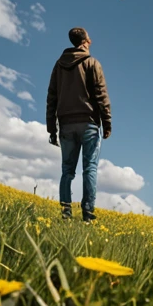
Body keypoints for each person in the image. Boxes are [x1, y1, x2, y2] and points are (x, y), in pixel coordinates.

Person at [46, 27, 111, 222]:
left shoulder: (58, 65)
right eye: (89, 38)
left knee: (67, 170)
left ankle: (66, 211)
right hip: (89, 123)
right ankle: (88, 214)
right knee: (89, 168)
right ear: (85, 42)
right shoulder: (92, 63)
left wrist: (52, 129)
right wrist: (107, 123)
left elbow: (52, 97)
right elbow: (101, 95)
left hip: (65, 124)